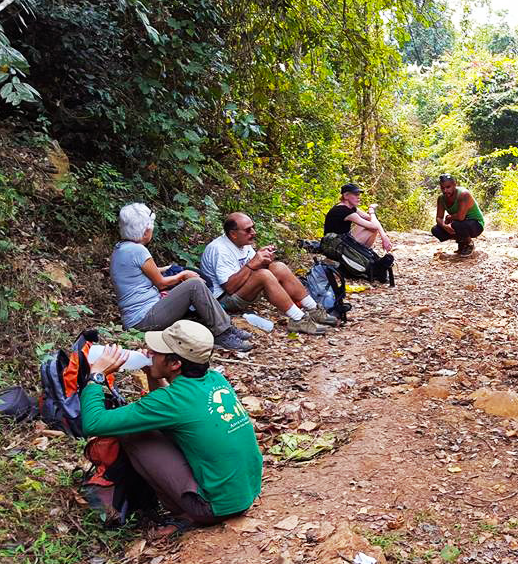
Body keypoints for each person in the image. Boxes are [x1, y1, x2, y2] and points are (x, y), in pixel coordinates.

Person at [80, 320, 263, 533]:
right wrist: (151, 372)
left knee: (132, 433)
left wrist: (97, 376)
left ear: (175, 364)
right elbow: (171, 410)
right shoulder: (215, 378)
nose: (149, 353)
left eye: (156, 352)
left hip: (215, 508)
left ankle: (181, 512)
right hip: (244, 493)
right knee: (158, 427)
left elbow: (93, 423)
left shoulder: (172, 401)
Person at [110, 203, 251, 353]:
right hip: (143, 319)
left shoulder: (121, 248)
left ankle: (225, 327)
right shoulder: (138, 250)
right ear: (145, 231)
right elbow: (161, 283)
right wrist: (183, 275)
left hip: (140, 315)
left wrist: (170, 269)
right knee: (194, 285)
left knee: (191, 284)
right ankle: (222, 333)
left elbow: (148, 271)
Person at [200, 212, 335, 335]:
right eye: (248, 230)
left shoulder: (242, 241)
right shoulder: (219, 249)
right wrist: (252, 263)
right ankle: (298, 319)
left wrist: (264, 259)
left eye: (253, 227)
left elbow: (255, 267)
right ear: (233, 234)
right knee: (263, 275)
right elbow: (229, 287)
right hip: (221, 301)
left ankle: (313, 309)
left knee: (278, 267)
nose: (253, 232)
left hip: (241, 290)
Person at [324, 183, 393, 252]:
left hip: (340, 241)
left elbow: (370, 219)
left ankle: (364, 253)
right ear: (346, 196)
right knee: (373, 228)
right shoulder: (343, 210)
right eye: (355, 194)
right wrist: (371, 210)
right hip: (333, 246)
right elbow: (374, 226)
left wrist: (384, 237)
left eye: (359, 194)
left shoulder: (350, 208)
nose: (359, 197)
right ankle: (363, 252)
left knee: (370, 224)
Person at [431, 174, 485, 256]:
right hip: (459, 223)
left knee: (456, 224)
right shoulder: (441, 198)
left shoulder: (464, 194)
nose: (445, 190)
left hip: (476, 225)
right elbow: (439, 217)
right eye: (442, 188)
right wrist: (444, 226)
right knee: (436, 230)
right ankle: (462, 241)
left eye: (448, 187)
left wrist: (450, 217)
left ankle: (468, 243)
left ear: (455, 185)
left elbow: (460, 217)